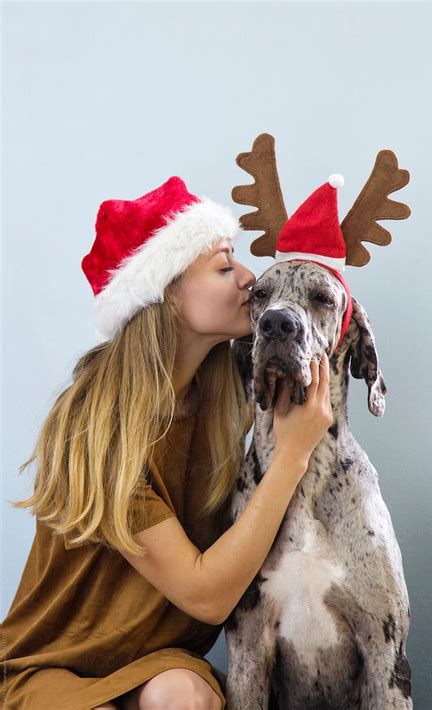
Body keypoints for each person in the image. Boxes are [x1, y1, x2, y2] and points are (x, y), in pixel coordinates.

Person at [0, 177, 333, 710]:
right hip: (54, 664)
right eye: (225, 267)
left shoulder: (226, 387)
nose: (248, 278)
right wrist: (292, 456)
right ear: (169, 297)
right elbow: (207, 596)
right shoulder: (100, 426)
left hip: (159, 660)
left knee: (182, 697)